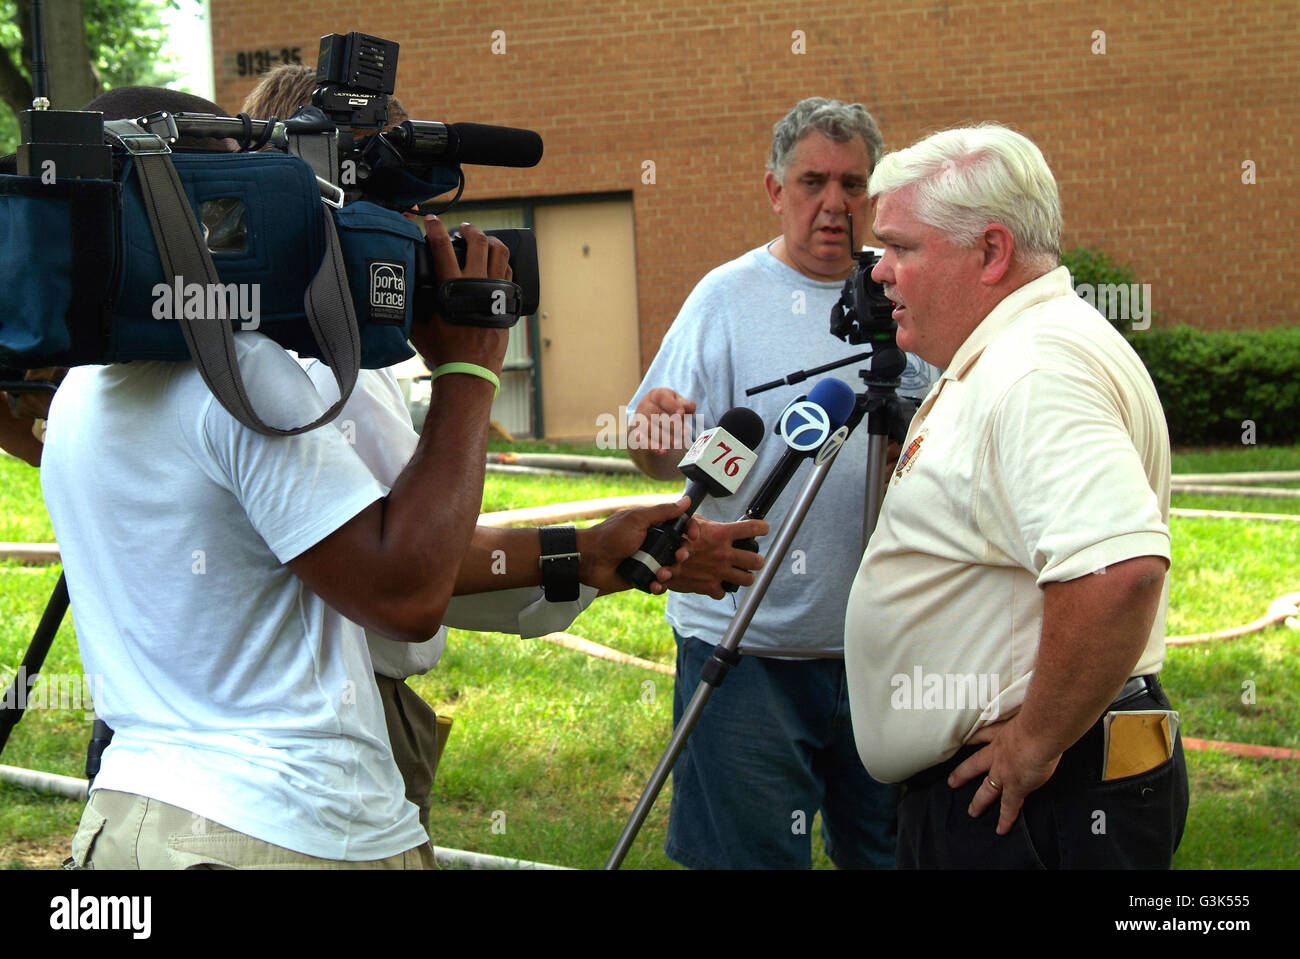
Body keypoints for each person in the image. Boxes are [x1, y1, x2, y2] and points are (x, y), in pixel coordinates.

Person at [45, 86, 762, 869]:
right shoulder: (246, 377)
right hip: (286, 825)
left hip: (132, 819)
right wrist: (469, 364)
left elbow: (363, 556)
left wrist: (588, 553)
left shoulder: (84, 388)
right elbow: (407, 589)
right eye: (234, 199)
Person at [844, 124, 1188, 869]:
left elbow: (1118, 571)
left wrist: (1033, 743)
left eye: (902, 247)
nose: (879, 273)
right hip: (1038, 791)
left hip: (1029, 800)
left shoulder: (1033, 369)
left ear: (992, 252)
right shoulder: (1022, 351)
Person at [627, 98, 939, 869]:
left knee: (893, 855)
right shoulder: (724, 298)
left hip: (882, 649)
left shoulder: (909, 299)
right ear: (774, 190)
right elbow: (657, 449)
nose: (834, 205)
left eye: (853, 185)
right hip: (745, 648)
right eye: (811, 183)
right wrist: (656, 431)